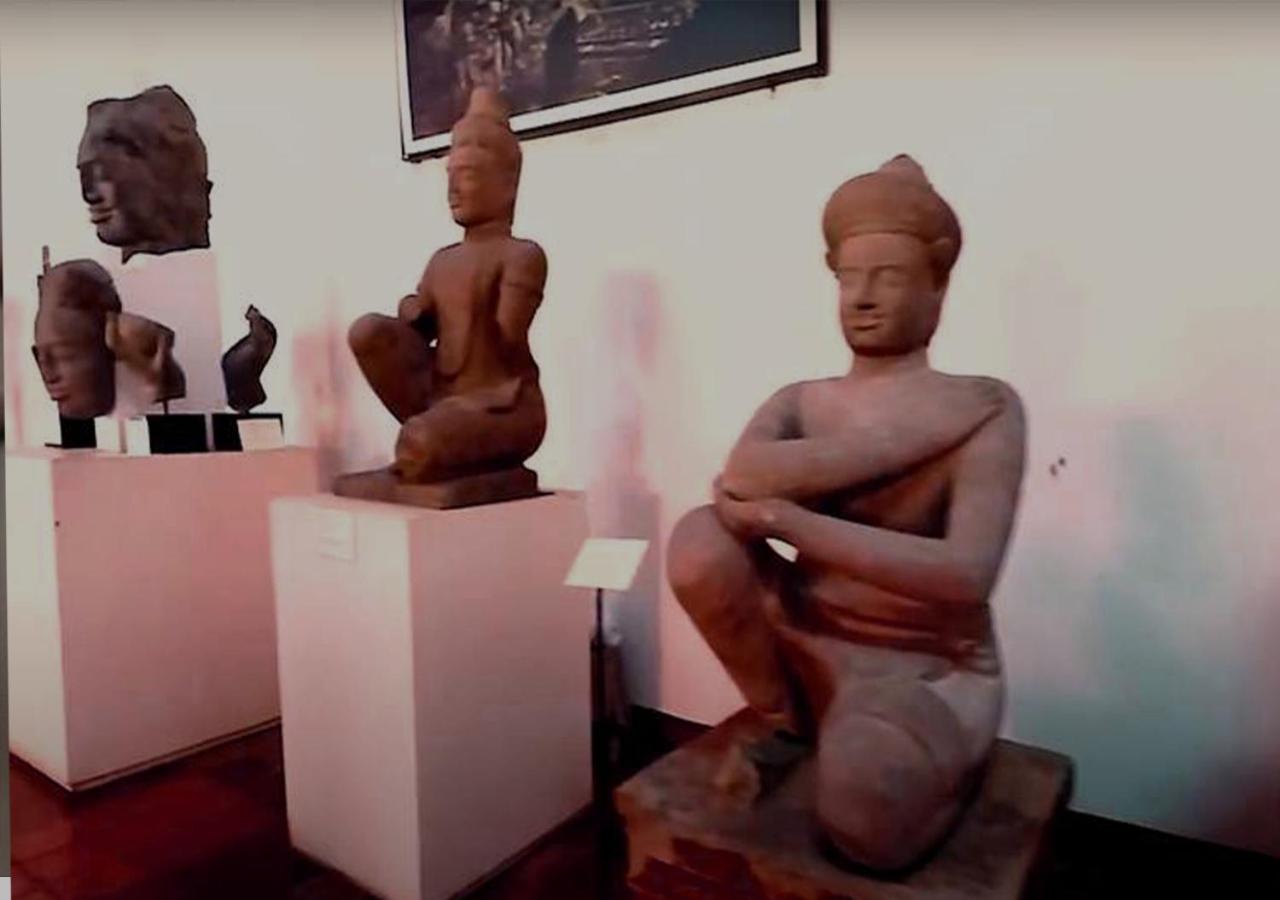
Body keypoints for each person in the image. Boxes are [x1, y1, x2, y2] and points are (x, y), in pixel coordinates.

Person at [667, 156, 1026, 871]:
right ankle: (785, 719)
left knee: (866, 810)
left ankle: (919, 759)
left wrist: (790, 522)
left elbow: (966, 575)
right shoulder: (808, 399)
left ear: (937, 286)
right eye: (848, 277)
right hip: (804, 634)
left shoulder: (986, 405)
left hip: (922, 667)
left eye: (887, 277)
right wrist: (911, 438)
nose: (862, 297)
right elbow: (744, 476)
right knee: (698, 542)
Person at [343, 88, 547, 501]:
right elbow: (421, 326)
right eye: (450, 176)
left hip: (504, 407)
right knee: (366, 332)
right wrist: (412, 311)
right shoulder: (442, 260)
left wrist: (513, 303)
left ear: (508, 185)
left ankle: (427, 448)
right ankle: (426, 442)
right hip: (443, 398)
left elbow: (509, 340)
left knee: (423, 442)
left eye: (467, 175)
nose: (454, 189)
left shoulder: (522, 255)